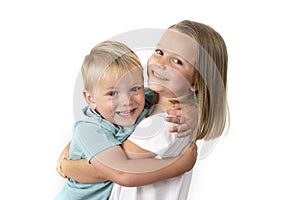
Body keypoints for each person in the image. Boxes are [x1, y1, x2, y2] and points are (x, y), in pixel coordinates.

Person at [58, 19, 229, 200]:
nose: (161, 63)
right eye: (159, 51)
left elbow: (116, 170)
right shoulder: (147, 100)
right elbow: (99, 124)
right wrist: (74, 144)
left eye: (177, 61)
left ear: (197, 81)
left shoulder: (166, 124)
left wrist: (67, 166)